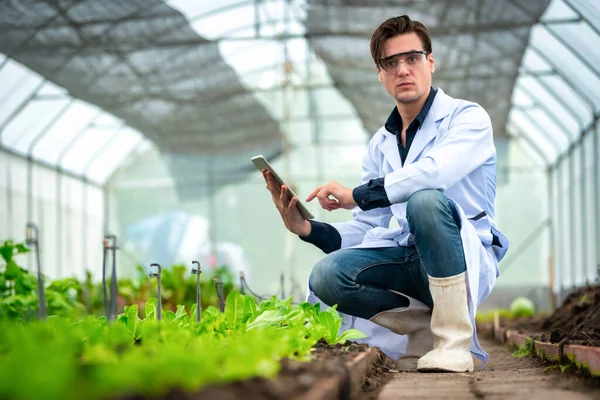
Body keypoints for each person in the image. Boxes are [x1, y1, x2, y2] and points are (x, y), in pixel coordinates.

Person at [261, 15, 509, 373]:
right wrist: (310, 230)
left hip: (459, 258)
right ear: (380, 74)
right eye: (391, 63)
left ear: (431, 62)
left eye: (412, 58)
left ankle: (454, 343)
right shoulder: (381, 143)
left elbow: (435, 173)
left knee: (425, 203)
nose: (403, 70)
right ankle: (423, 327)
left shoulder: (467, 118)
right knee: (326, 276)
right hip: (406, 261)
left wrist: (357, 195)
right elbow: (369, 228)